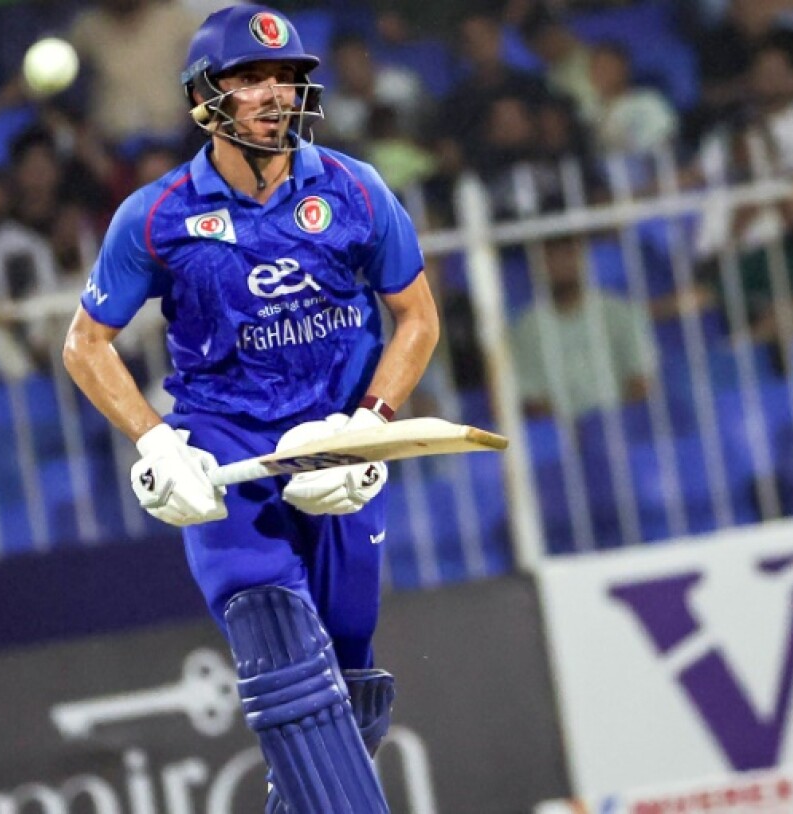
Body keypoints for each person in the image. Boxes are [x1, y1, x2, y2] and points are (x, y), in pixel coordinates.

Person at [62, 6, 439, 813]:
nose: (274, 94)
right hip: (226, 451)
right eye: (251, 78)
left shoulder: (355, 189)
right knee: (277, 640)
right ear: (205, 97)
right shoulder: (157, 214)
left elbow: (418, 318)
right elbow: (85, 345)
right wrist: (157, 444)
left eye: (286, 78)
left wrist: (370, 424)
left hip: (335, 441)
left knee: (351, 676)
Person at [512, 234, 655, 420]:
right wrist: (569, 428)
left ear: (584, 259)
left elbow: (641, 380)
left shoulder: (619, 312)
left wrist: (613, 422)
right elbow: (530, 397)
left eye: (568, 253)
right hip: (558, 429)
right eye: (551, 257)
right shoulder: (526, 327)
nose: (561, 264)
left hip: (624, 424)